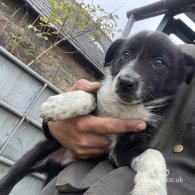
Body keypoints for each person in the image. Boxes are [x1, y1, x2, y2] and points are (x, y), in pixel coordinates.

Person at [39, 44, 195, 195]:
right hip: (71, 181)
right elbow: (99, 97)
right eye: (126, 55)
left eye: (158, 63)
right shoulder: (176, 52)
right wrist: (55, 123)